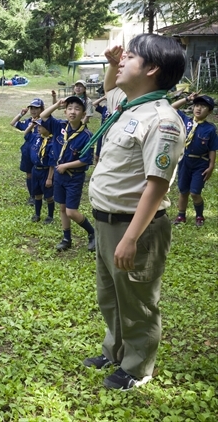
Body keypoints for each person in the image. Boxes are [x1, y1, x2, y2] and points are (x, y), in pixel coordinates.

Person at [84, 34, 186, 390]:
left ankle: (137, 367)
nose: (122, 59)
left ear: (153, 68)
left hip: (134, 228)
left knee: (137, 301)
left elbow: (155, 187)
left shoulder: (162, 119)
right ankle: (115, 351)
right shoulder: (131, 105)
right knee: (110, 295)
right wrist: (113, 65)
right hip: (106, 220)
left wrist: (130, 239)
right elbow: (111, 89)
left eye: (131, 56)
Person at [39, 96, 96, 252]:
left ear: (83, 113)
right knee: (63, 208)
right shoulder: (59, 127)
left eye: (77, 109)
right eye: (70, 108)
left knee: (71, 211)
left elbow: (85, 160)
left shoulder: (86, 136)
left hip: (73, 177)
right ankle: (66, 238)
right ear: (65, 112)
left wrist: (66, 165)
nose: (73, 112)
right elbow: (43, 116)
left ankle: (92, 233)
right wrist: (57, 104)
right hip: (59, 176)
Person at [170, 94, 217, 226]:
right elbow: (171, 108)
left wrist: (211, 165)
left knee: (195, 192)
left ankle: (199, 216)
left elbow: (212, 148)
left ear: (209, 111)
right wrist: (187, 99)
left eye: (203, 106)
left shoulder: (210, 129)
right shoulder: (185, 120)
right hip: (184, 161)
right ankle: (181, 216)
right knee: (183, 190)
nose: (198, 108)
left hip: (200, 163)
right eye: (196, 105)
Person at [9, 98, 45, 205]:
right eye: (31, 108)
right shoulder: (29, 121)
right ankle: (32, 196)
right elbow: (13, 123)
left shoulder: (45, 121)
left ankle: (44, 195)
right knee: (29, 174)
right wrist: (21, 114)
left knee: (41, 173)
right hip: (27, 150)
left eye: (36, 108)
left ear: (42, 109)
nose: (33, 111)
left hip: (40, 151)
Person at [24, 119, 55, 223]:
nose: (38, 128)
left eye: (40, 126)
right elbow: (26, 134)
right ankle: (37, 214)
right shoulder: (36, 137)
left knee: (49, 196)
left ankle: (50, 216)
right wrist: (32, 125)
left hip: (46, 171)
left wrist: (50, 178)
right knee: (37, 194)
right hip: (35, 170)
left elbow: (52, 163)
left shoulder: (52, 142)